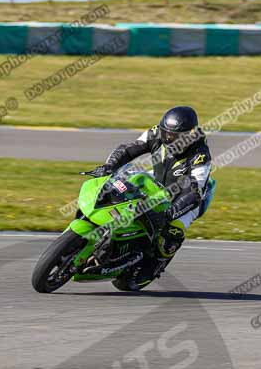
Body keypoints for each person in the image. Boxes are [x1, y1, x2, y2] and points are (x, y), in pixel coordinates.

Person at [88, 106, 213, 262]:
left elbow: (195, 191)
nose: (168, 139)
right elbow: (128, 150)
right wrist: (109, 166)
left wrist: (168, 213)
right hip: (158, 181)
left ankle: (155, 264)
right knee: (118, 186)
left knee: (171, 235)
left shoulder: (200, 154)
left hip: (187, 197)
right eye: (166, 134)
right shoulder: (157, 133)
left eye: (174, 136)